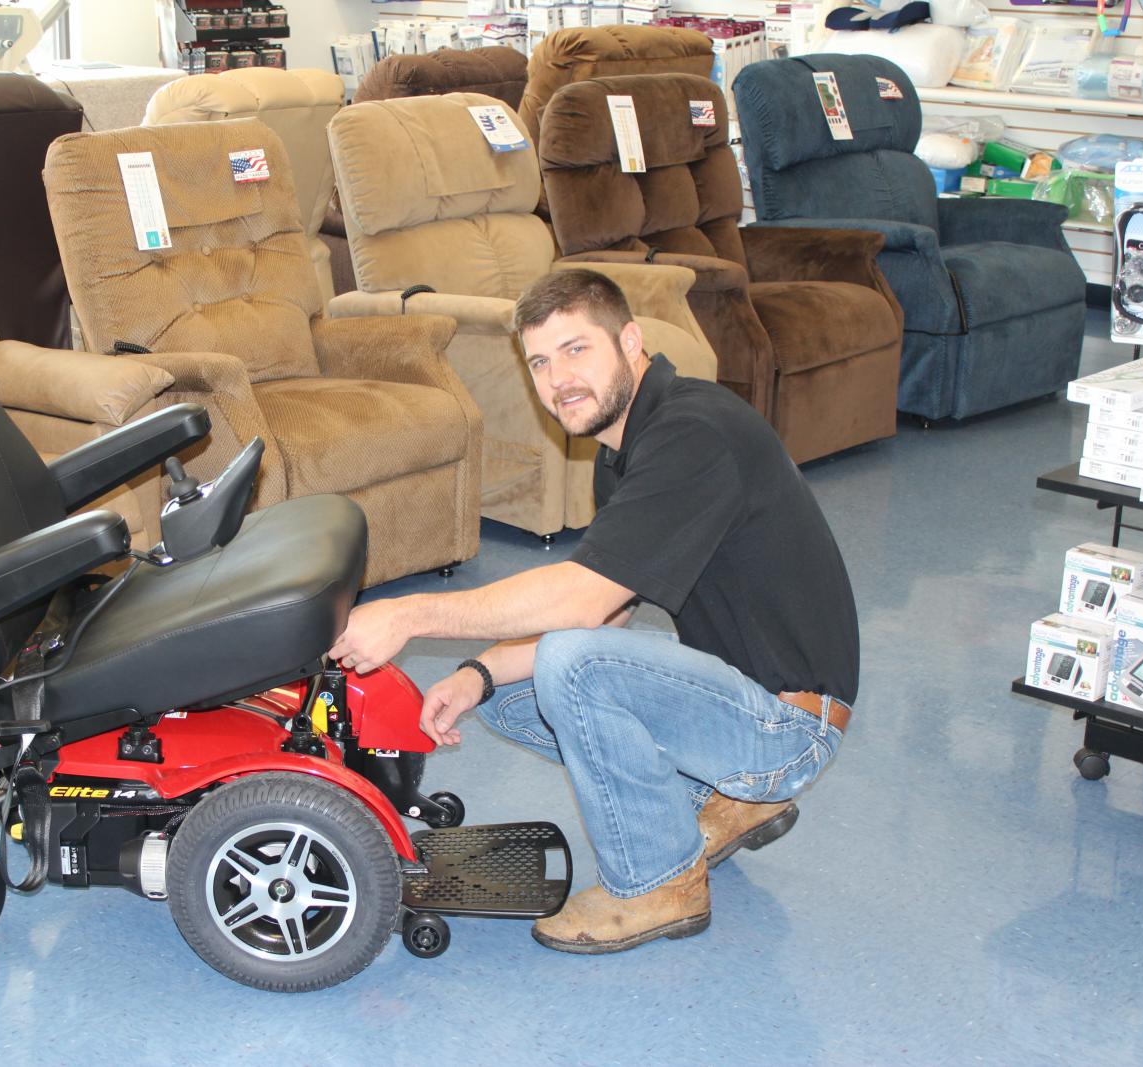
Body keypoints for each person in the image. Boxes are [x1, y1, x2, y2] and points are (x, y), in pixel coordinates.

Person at [328, 268, 858, 955]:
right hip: (744, 699)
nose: (559, 380)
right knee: (508, 689)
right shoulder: (627, 444)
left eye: (578, 350)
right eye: (541, 362)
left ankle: (659, 882)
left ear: (630, 341)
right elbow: (606, 616)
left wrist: (408, 614)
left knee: (569, 664)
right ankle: (715, 798)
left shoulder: (693, 433)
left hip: (790, 724)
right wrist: (477, 676)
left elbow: (582, 605)